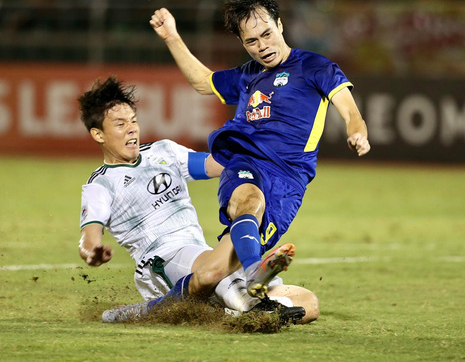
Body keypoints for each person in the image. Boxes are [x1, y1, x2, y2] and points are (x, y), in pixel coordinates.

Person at [149, 0, 370, 299]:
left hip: (288, 181)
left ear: (280, 25)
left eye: (267, 34)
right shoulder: (247, 75)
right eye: (251, 41)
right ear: (242, 42)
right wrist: (171, 36)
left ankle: (148, 311)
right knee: (249, 201)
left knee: (210, 274)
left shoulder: (315, 67)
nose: (262, 45)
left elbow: (349, 110)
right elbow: (202, 82)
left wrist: (356, 131)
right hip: (244, 163)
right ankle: (257, 271)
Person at [77, 76, 319, 324]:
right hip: (162, 261)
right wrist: (92, 251)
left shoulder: (164, 152)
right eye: (120, 124)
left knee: (308, 303)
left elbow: (218, 165)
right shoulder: (101, 184)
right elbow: (89, 236)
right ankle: (252, 305)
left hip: (200, 255)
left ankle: (235, 308)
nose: (131, 128)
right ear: (98, 134)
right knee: (216, 272)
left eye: (134, 121)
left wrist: (268, 148)